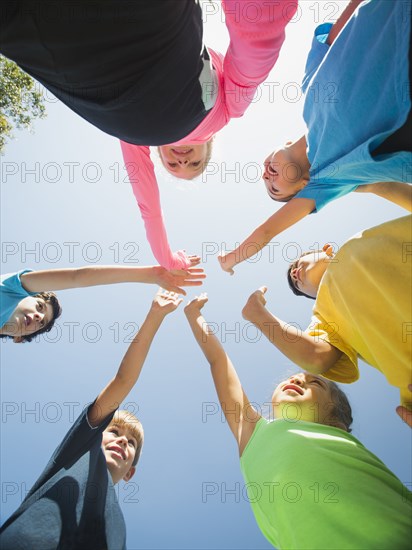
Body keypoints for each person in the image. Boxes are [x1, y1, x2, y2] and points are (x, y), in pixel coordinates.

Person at [1, 0, 297, 269]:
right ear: (208, 145)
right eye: (193, 164)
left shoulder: (139, 139)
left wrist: (166, 258)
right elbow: (251, 64)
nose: (182, 161)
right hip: (158, 40)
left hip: (78, 68)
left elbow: (149, 206)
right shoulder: (225, 113)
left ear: (158, 156)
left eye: (173, 166)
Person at [184, 293, 412, 549]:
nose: (298, 379)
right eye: (293, 378)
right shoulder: (252, 433)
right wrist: (194, 316)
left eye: (315, 382)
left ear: (336, 421)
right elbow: (219, 362)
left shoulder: (340, 439)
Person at [218, 0, 412, 275]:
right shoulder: (326, 178)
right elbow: (267, 231)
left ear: (281, 144)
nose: (265, 177)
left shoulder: (309, 87)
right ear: (304, 187)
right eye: (275, 189)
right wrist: (233, 258)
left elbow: (340, 30)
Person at [0, 289, 182, 549]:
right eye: (115, 432)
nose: (122, 442)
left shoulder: (117, 526)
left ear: (130, 473)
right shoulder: (81, 449)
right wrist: (155, 316)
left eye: (131, 443)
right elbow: (123, 381)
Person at [240, 217, 411, 415]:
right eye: (297, 286)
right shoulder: (324, 316)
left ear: (327, 249)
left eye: (299, 263)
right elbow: (315, 357)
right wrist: (258, 314)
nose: (294, 273)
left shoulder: (362, 241)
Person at [0, 264, 204, 342]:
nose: (39, 317)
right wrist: (150, 274)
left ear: (19, 338)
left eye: (42, 323)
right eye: (39, 307)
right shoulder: (10, 289)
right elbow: (77, 277)